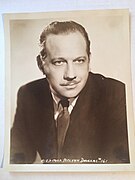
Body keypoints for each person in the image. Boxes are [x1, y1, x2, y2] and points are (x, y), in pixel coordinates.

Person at [10, 21, 130, 164]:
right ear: (41, 64)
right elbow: (16, 161)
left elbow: (120, 168)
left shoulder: (115, 94)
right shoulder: (28, 94)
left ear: (89, 60)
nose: (71, 74)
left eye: (79, 61)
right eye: (59, 62)